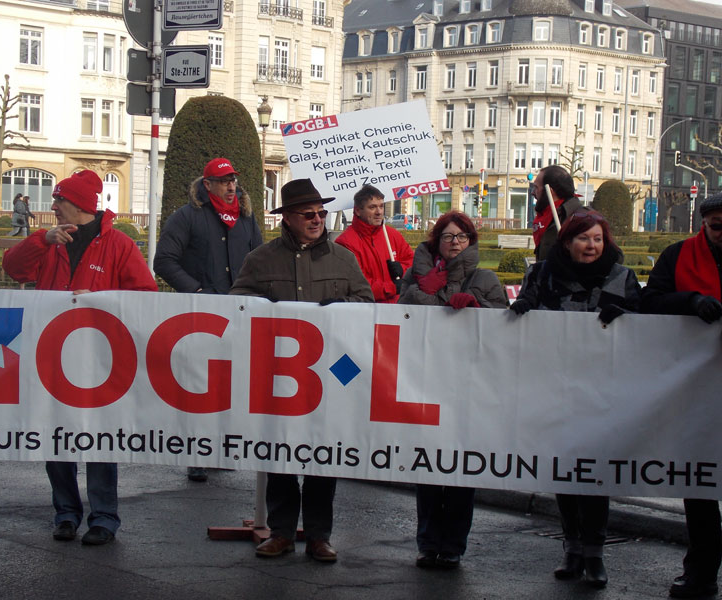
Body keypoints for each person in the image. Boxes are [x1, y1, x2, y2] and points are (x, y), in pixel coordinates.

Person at [2, 169, 157, 546]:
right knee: (56, 437)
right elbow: (13, 269)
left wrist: (101, 302)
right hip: (51, 355)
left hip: (100, 359)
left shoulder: (119, 244)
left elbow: (145, 295)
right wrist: (40, 240)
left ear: (80, 205)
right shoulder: (48, 241)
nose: (53, 206)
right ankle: (66, 514)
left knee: (101, 438)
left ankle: (103, 518)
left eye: (60, 200)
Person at [229, 178, 373, 563]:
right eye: (308, 214)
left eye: (321, 213)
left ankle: (319, 536)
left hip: (330, 373)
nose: (317, 219)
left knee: (324, 456)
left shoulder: (343, 258)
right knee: (279, 451)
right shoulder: (260, 259)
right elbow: (238, 302)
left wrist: (339, 305)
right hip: (279, 372)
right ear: (288, 218)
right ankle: (280, 532)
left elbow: (366, 301)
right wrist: (267, 308)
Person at [510, 210, 642, 588]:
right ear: (567, 242)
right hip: (556, 388)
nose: (591, 245)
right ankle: (572, 547)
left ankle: (595, 553)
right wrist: (523, 309)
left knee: (594, 472)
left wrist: (629, 316)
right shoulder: (542, 274)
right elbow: (527, 312)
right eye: (584, 238)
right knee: (564, 470)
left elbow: (647, 326)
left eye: (598, 239)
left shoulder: (622, 277)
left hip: (604, 391)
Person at [397, 210, 507, 570]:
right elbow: (399, 315)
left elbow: (504, 325)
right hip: (426, 379)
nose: (455, 242)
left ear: (471, 241)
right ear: (437, 241)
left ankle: (453, 545)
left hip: (469, 384)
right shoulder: (415, 276)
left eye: (462, 236)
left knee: (461, 469)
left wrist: (478, 308)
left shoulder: (485, 278)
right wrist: (421, 292)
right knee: (428, 466)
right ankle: (428, 543)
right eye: (448, 236)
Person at [154, 157, 262, 482]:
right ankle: (196, 453)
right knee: (199, 386)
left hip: (238, 312)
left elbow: (260, 257)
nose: (231, 186)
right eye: (224, 181)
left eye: (233, 180)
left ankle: (220, 448)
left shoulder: (246, 217)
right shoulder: (187, 216)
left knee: (229, 385)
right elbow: (164, 260)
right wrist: (197, 290)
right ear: (208, 184)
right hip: (201, 316)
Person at [641, 193, 722, 599]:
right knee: (700, 484)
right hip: (694, 387)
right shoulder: (677, 256)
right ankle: (701, 573)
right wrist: (691, 301)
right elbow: (650, 300)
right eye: (718, 226)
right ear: (703, 223)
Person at [335, 184, 414, 303]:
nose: (379, 212)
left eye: (381, 206)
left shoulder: (392, 235)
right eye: (372, 207)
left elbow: (413, 263)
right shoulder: (345, 242)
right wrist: (392, 288)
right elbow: (357, 284)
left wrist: (402, 269)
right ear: (358, 211)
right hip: (368, 310)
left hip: (397, 308)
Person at [531, 165, 582, 261]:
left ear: (550, 191)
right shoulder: (547, 216)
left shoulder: (579, 218)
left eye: (536, 188)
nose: (533, 192)